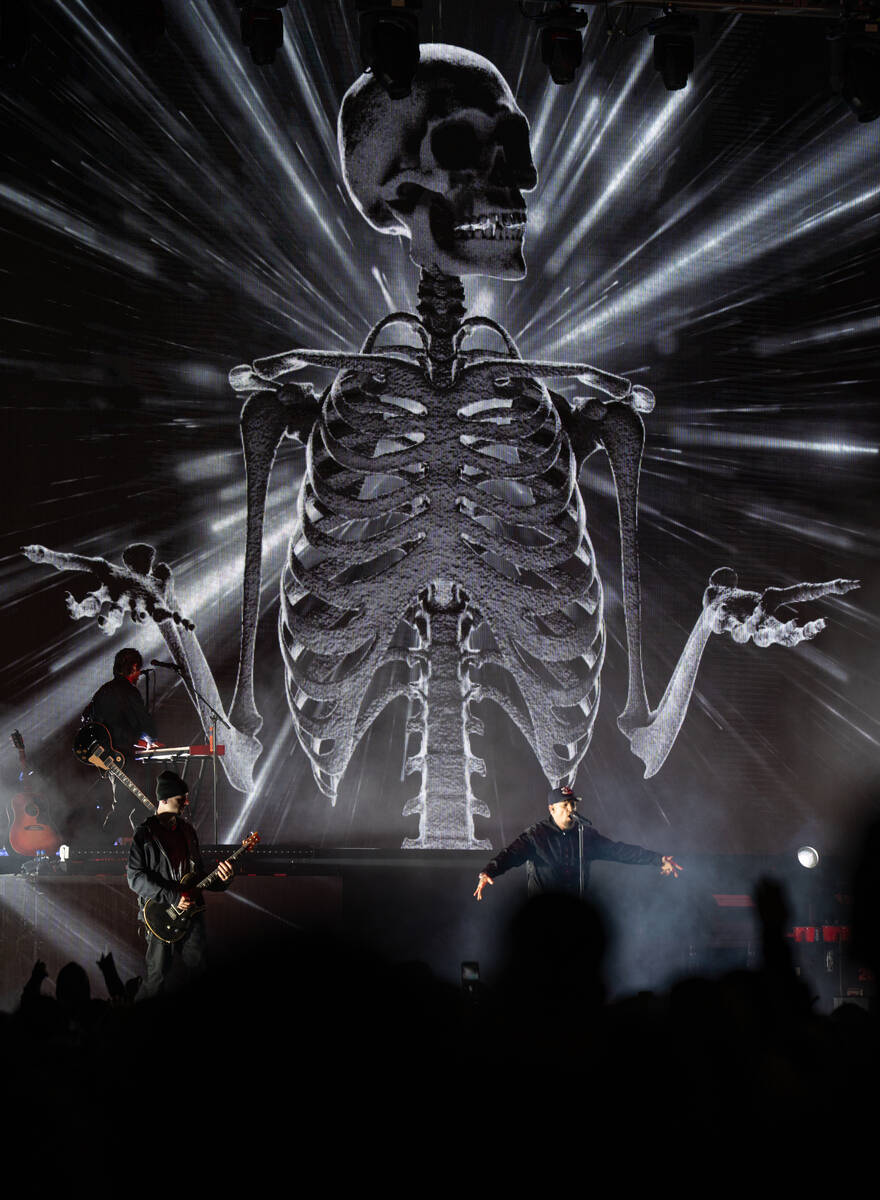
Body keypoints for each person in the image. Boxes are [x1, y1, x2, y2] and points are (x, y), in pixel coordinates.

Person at [126, 771, 233, 997]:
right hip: (159, 916)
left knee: (200, 972)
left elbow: (198, 876)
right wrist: (174, 898)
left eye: (185, 797)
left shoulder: (187, 831)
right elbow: (134, 878)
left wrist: (223, 880)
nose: (185, 802)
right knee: (157, 979)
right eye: (180, 799)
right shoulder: (145, 834)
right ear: (163, 799)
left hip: (191, 915)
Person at [474, 785, 682, 900]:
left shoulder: (585, 834)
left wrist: (657, 859)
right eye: (565, 805)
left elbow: (618, 851)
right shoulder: (536, 835)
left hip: (575, 911)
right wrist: (488, 872)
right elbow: (510, 854)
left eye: (573, 804)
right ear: (552, 809)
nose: (571, 809)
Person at [84, 647, 162, 837]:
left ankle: (139, 844)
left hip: (109, 758)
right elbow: (144, 722)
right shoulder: (128, 691)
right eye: (138, 671)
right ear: (134, 667)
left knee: (134, 804)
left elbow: (87, 717)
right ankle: (100, 845)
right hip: (125, 757)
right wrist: (152, 739)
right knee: (130, 804)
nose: (138, 676)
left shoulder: (103, 691)